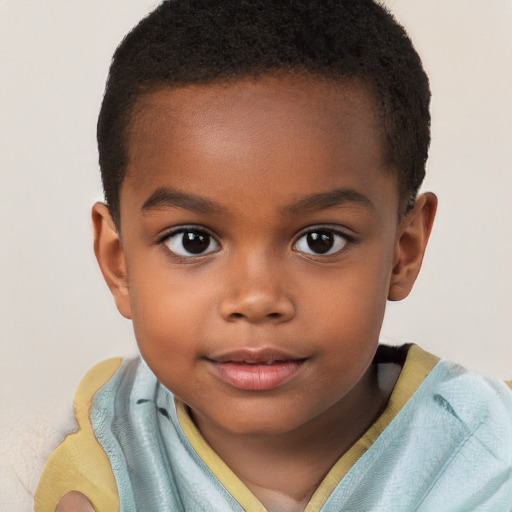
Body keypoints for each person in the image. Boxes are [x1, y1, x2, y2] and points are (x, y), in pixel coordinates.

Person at [34, 0, 512, 511]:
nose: (256, 299)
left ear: (404, 250)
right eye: (193, 241)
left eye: (320, 240)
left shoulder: (488, 457)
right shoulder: (108, 469)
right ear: (119, 261)